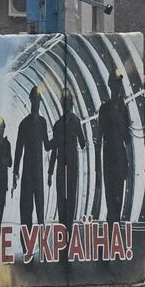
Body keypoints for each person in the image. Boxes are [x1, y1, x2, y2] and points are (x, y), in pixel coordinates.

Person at [47, 88, 88, 227]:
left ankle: (62, 225)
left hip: (60, 165)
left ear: (61, 103)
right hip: (72, 164)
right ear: (72, 103)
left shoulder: (57, 124)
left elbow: (54, 151)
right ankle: (69, 227)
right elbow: (82, 143)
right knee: (71, 195)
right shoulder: (76, 121)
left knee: (61, 196)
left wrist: (50, 173)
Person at [94, 71, 132, 223]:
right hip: (110, 157)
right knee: (111, 200)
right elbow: (99, 139)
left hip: (117, 157)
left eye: (119, 84)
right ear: (111, 85)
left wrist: (119, 118)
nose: (118, 87)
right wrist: (97, 169)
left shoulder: (122, 108)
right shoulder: (104, 109)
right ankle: (112, 230)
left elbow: (127, 138)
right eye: (116, 84)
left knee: (117, 199)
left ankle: (114, 229)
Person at [12, 87, 48, 226]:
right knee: (37, 207)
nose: (37, 103)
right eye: (36, 100)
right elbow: (18, 150)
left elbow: (19, 150)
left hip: (29, 171)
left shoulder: (26, 123)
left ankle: (29, 236)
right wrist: (15, 172)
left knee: (28, 209)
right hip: (35, 171)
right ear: (32, 101)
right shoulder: (40, 123)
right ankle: (34, 235)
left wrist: (61, 139)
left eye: (38, 100)